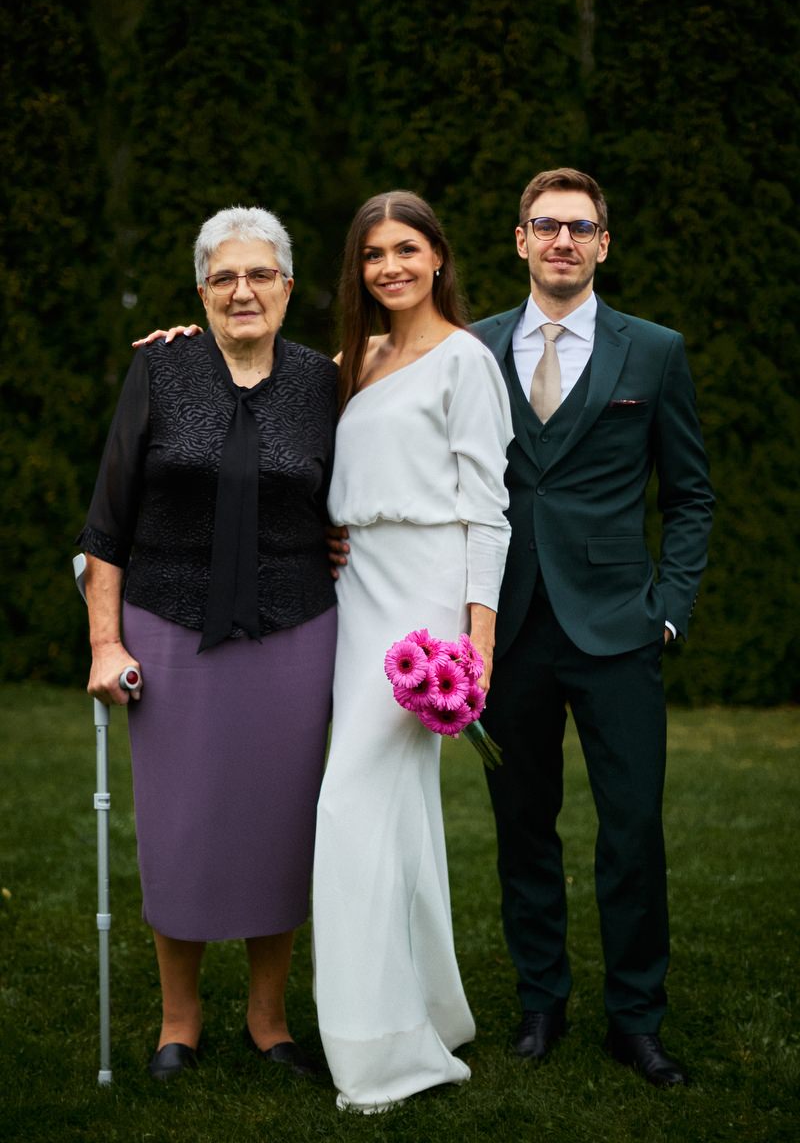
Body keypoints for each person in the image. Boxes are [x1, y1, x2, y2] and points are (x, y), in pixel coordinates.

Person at [77, 206, 338, 1081]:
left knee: (282, 824)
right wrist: (104, 643)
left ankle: (270, 1020)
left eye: (260, 274)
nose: (242, 290)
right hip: (169, 624)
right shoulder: (160, 367)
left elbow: (352, 491)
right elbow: (107, 523)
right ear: (201, 293)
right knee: (179, 826)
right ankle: (178, 1021)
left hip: (295, 627)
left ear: (288, 287)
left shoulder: (323, 381)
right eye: (224, 277)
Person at [468, 168, 714, 1086]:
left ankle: (635, 1017)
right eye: (546, 226)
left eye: (580, 227)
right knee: (523, 826)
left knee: (632, 829)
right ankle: (542, 1003)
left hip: (619, 627)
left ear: (603, 244)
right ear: (521, 240)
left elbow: (690, 495)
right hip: (509, 627)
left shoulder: (654, 351)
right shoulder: (472, 348)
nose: (562, 241)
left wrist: (669, 610)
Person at [312, 190, 513, 1111]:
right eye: (372, 254)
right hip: (356, 588)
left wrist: (478, 639)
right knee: (398, 816)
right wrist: (183, 346)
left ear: (438, 257)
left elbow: (488, 509)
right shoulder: (353, 361)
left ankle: (381, 1052)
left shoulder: (466, 359)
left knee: (351, 805)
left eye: (405, 248)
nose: (388, 266)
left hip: (426, 601)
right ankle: (431, 1010)